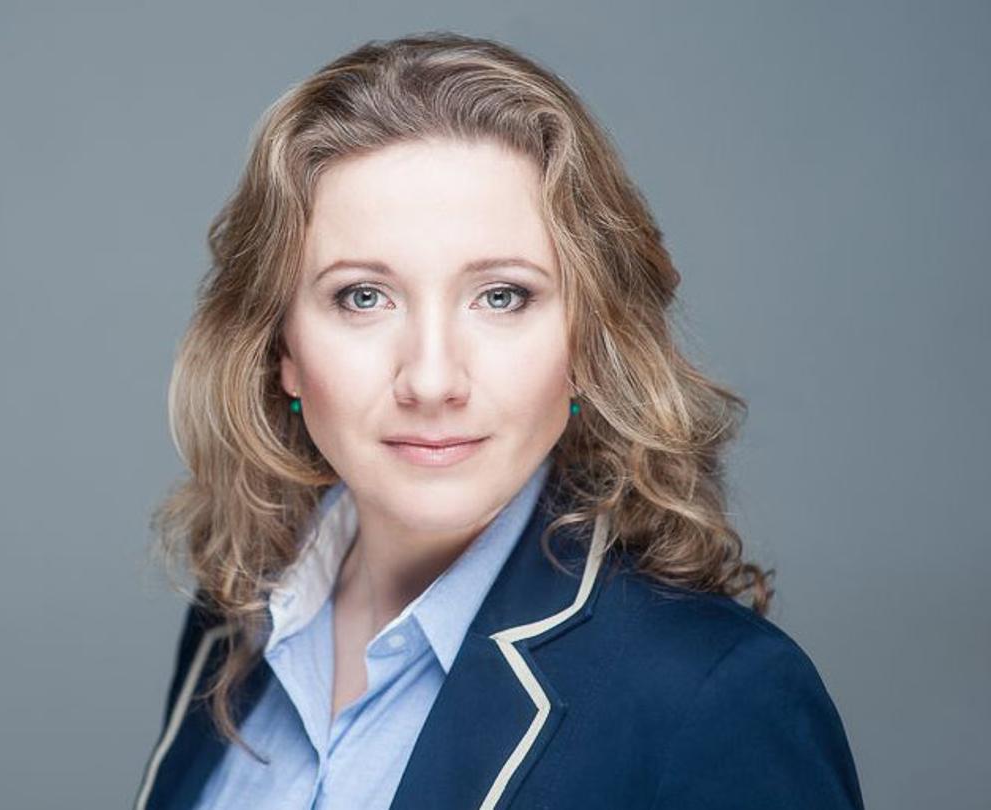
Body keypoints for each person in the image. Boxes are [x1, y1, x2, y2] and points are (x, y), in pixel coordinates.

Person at [133, 32, 863, 810]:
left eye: (502, 296)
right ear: (281, 347)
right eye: (363, 297)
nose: (432, 380)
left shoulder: (719, 699)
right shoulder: (235, 620)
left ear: (586, 342)